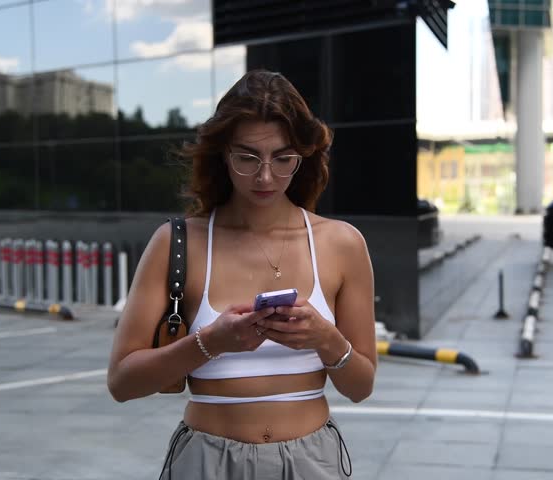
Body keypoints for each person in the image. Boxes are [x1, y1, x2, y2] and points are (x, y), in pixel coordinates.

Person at [107, 69, 376, 479]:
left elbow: (360, 387)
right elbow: (122, 383)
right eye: (247, 157)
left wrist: (326, 338)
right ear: (222, 155)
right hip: (207, 462)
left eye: (283, 158)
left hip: (312, 463)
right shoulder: (177, 242)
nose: (265, 176)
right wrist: (211, 342)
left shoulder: (342, 243)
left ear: (302, 157)